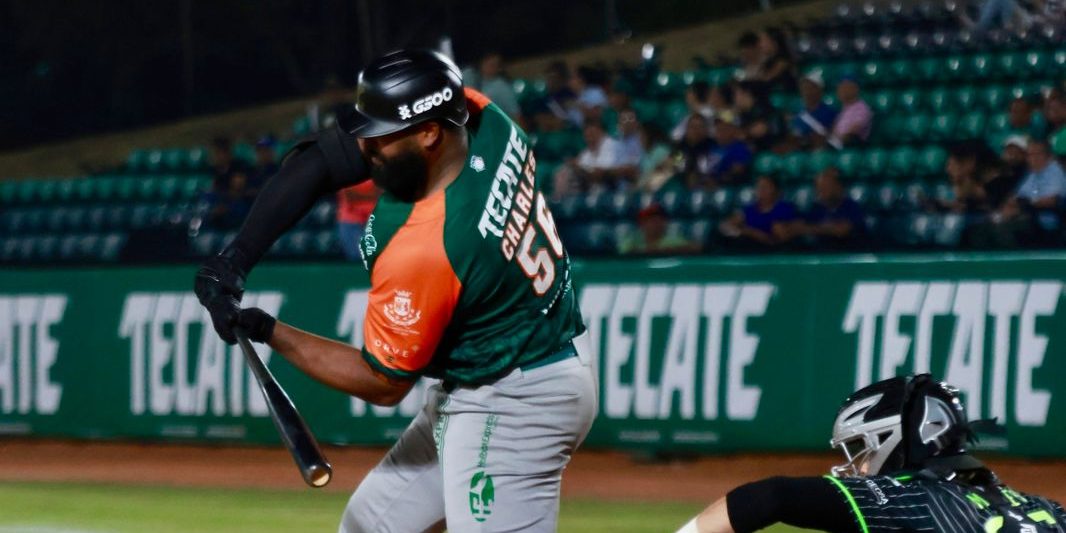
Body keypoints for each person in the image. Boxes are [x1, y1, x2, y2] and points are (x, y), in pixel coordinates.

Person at [193, 49, 596, 533]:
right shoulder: (483, 118)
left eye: (380, 138)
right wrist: (234, 261)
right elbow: (322, 160)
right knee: (369, 528)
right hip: (525, 357)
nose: (365, 149)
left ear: (428, 133)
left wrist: (269, 331)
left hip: (513, 403)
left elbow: (382, 382)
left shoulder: (426, 241)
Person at [674, 374, 1066, 533]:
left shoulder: (909, 497)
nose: (858, 464)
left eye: (863, 449)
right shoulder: (1042, 508)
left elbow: (773, 496)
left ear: (893, 440)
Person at [719, 175, 797, 248]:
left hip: (776, 253)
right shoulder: (749, 209)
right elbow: (726, 225)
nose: (761, 190)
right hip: (749, 251)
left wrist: (753, 233)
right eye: (758, 187)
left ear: (775, 189)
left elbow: (779, 237)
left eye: (765, 187)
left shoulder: (784, 208)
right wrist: (743, 232)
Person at [795, 167, 865, 248]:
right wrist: (828, 229)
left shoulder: (851, 207)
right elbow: (798, 227)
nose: (821, 191)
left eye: (826, 186)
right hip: (821, 255)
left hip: (849, 255)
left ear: (838, 187)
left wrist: (812, 229)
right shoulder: (815, 208)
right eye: (819, 187)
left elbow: (842, 231)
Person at [618, 202, 700, 255]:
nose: (657, 224)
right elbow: (623, 252)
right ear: (642, 224)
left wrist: (663, 250)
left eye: (661, 220)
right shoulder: (634, 240)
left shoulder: (673, 240)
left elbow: (696, 248)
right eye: (652, 221)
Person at [463, 52, 520, 120]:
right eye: (486, 62)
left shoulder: (502, 88)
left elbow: (516, 116)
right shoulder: (470, 75)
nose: (487, 65)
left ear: (499, 68)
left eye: (493, 64)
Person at [788, 72, 838, 150]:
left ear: (820, 90)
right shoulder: (797, 113)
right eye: (805, 88)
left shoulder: (830, 112)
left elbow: (831, 136)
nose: (808, 92)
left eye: (811, 88)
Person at [335, 181, 378, 261]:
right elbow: (350, 196)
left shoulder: (380, 169)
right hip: (351, 221)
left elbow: (384, 192)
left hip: (376, 219)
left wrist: (361, 196)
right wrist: (373, 195)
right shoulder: (347, 171)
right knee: (356, 259)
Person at [829, 76, 873, 149]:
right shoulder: (843, 110)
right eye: (840, 87)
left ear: (855, 89)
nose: (841, 91)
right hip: (838, 147)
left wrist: (833, 142)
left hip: (853, 148)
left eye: (845, 87)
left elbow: (852, 133)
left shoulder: (861, 108)